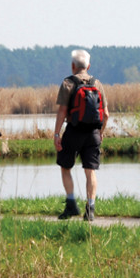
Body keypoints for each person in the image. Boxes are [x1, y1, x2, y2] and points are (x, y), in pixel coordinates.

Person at [54, 49, 108, 221]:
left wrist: (56, 134)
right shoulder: (97, 83)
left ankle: (71, 204)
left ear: (72, 66)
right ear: (88, 66)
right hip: (93, 133)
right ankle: (90, 208)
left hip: (74, 131)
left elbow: (62, 111)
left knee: (65, 167)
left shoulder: (67, 83)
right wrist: (101, 132)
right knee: (90, 171)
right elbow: (105, 114)